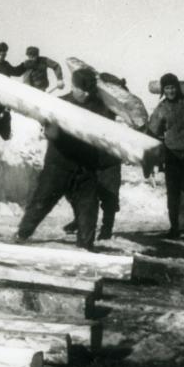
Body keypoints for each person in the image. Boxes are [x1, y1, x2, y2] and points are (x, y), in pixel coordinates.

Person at [15, 68, 115, 250]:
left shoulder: (100, 108)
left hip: (86, 168)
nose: (85, 93)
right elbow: (49, 132)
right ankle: (22, 234)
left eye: (88, 90)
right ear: (73, 86)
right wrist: (53, 128)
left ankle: (85, 246)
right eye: (81, 89)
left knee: (88, 209)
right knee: (41, 202)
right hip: (58, 165)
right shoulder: (60, 104)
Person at [63, 71, 147, 240]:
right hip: (87, 153)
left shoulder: (115, 104)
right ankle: (79, 219)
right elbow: (66, 99)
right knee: (74, 188)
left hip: (109, 155)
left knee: (109, 193)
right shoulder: (88, 98)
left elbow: (135, 116)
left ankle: (107, 227)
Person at [147, 73, 184, 239]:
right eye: (167, 88)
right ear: (163, 90)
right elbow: (153, 130)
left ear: (177, 88)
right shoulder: (162, 108)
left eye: (173, 87)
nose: (170, 91)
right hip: (172, 154)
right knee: (173, 192)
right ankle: (174, 227)